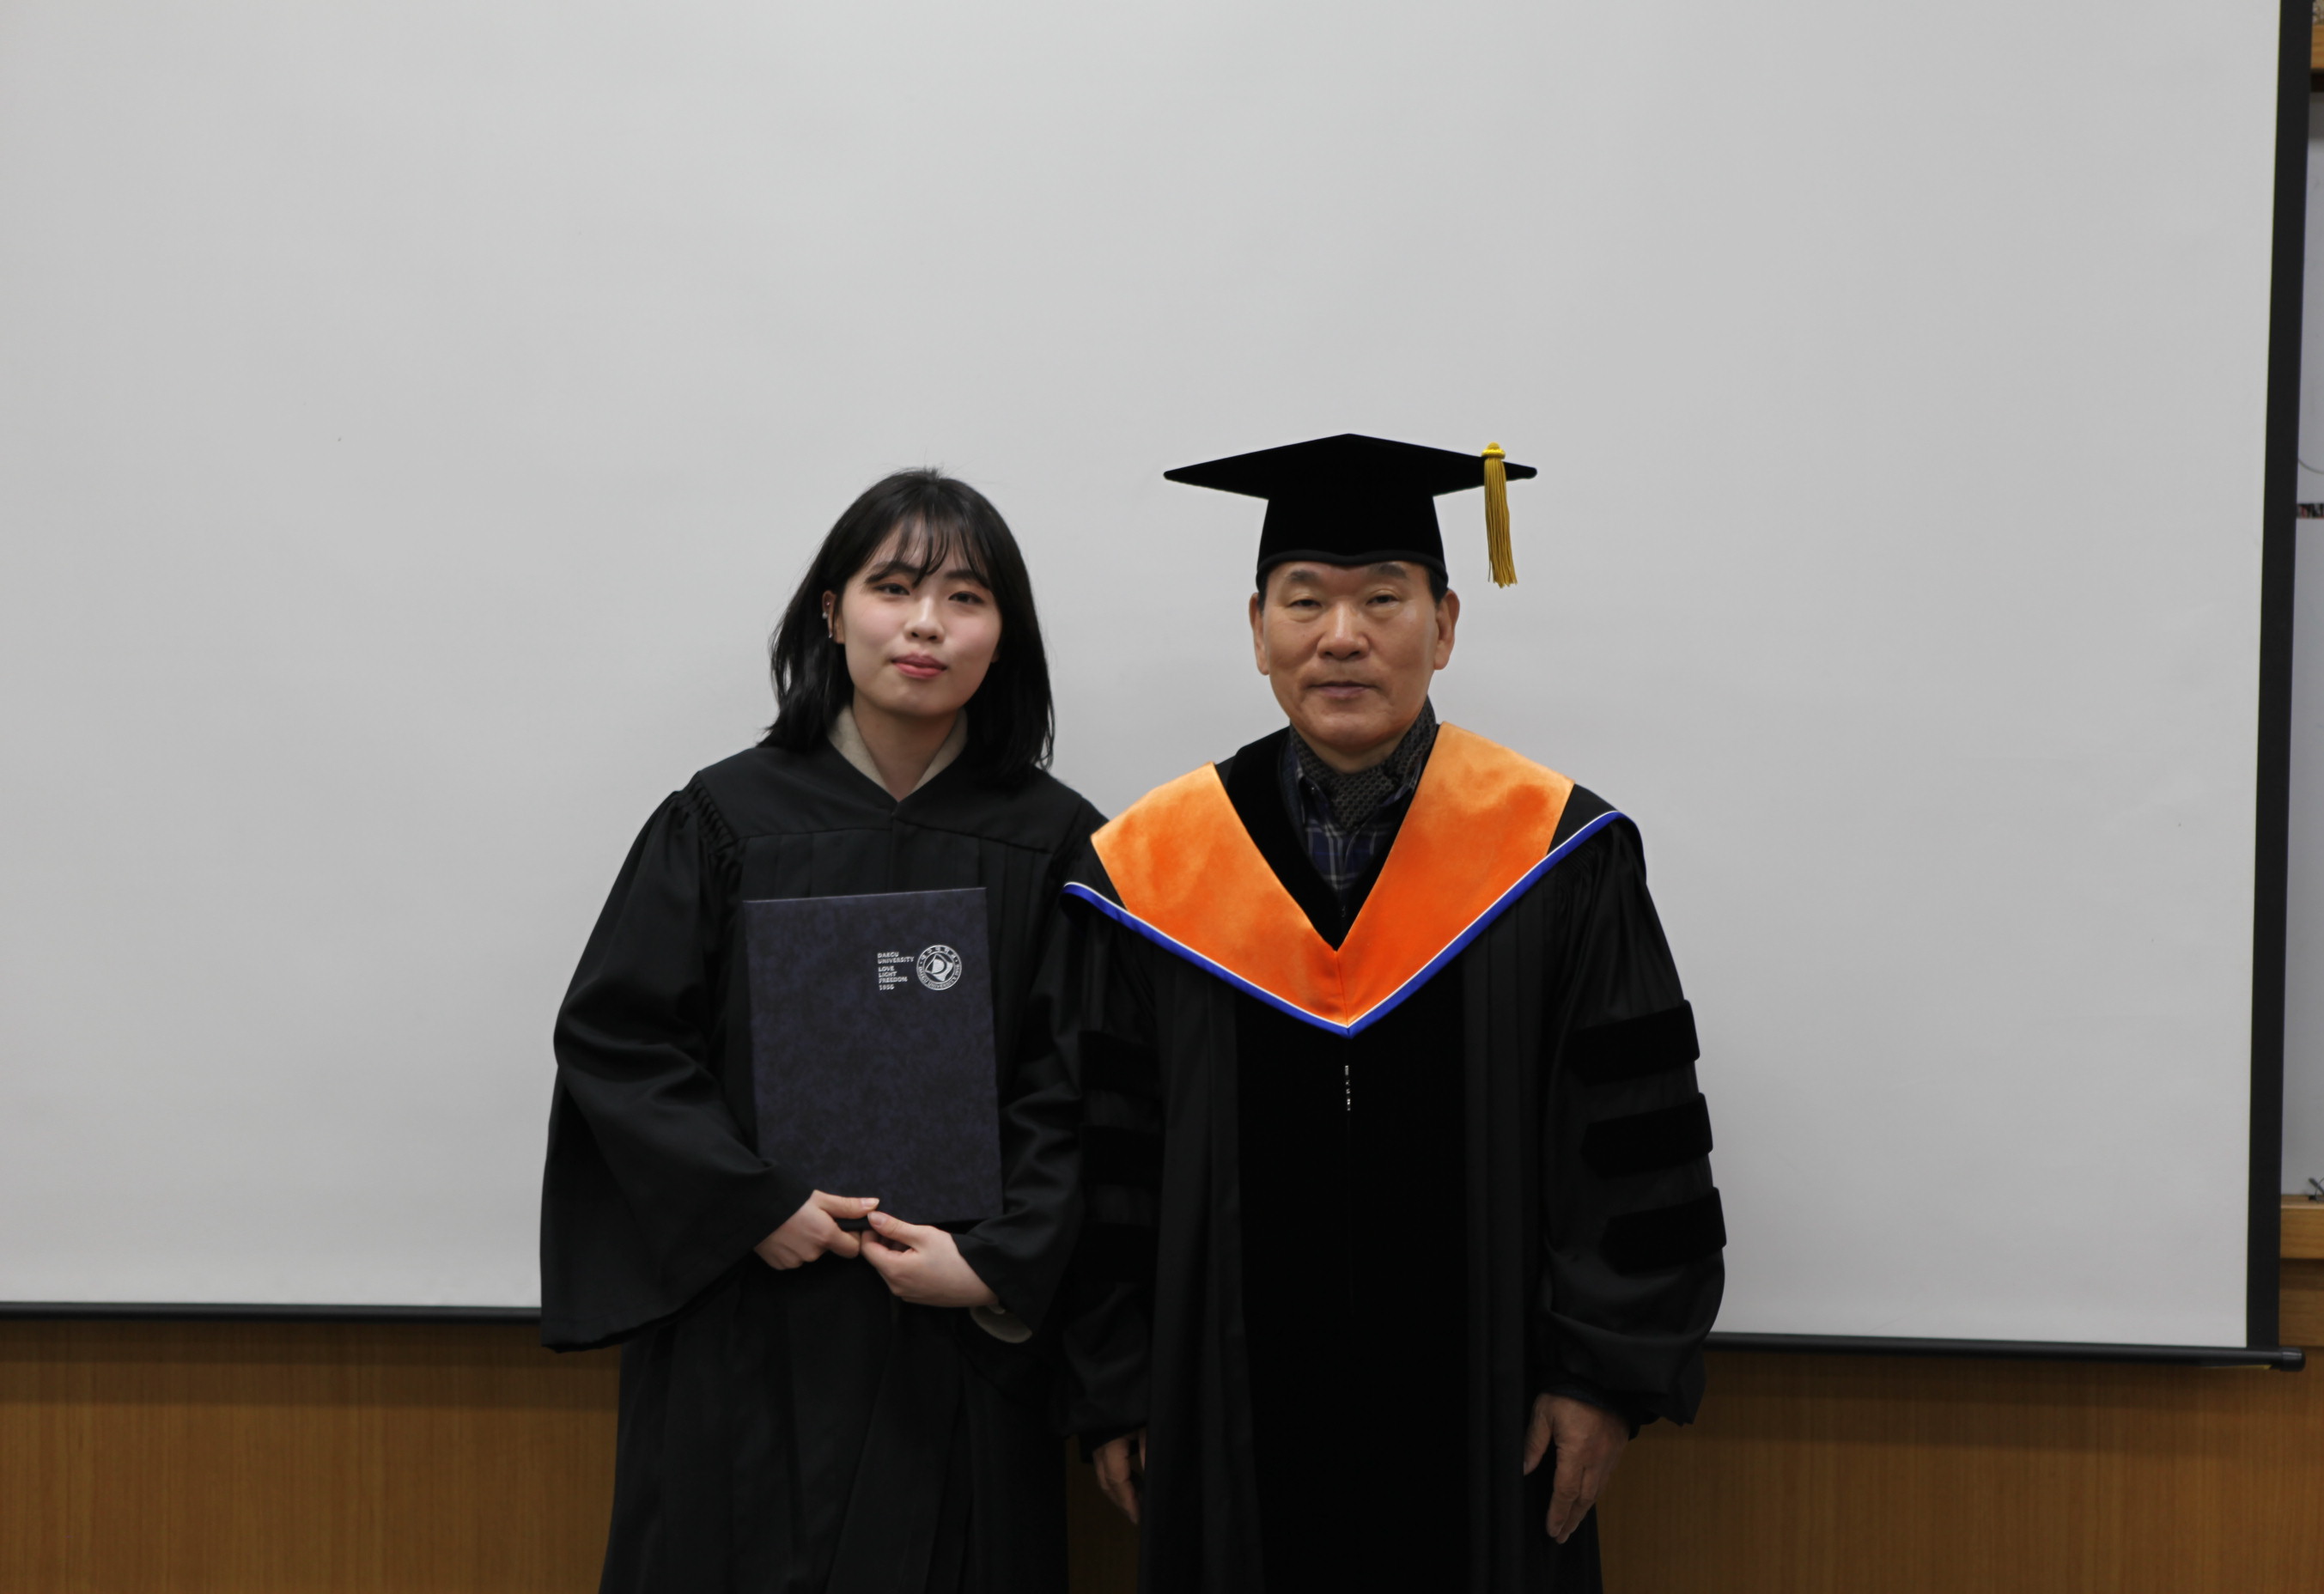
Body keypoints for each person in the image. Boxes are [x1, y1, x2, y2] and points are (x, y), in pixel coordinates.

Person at [1043, 435, 1726, 1591]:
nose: (1342, 635)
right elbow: (1102, 1152)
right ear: (1258, 628)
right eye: (1306, 600)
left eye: (1383, 600)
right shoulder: (1147, 874)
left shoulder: (1560, 854)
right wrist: (1115, 1383)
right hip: (1227, 1421)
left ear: (1444, 626)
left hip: (1494, 1424)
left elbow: (1626, 1148)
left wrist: (1601, 1376)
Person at [539, 469, 1101, 1594]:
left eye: (965, 597)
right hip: (750, 1321)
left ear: (1005, 636)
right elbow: (621, 1043)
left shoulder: (1057, 846)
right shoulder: (725, 820)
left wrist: (994, 1265)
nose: (926, 623)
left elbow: (1085, 1084)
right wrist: (750, 1204)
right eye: (894, 587)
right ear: (834, 614)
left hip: (958, 1336)